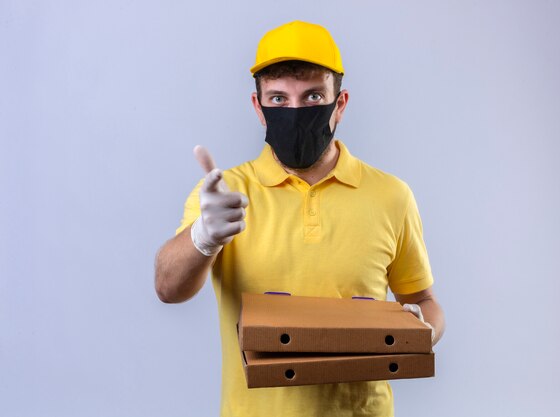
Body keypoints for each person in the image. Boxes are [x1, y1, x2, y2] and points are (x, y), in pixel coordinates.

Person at [154, 20, 445, 417]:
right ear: (258, 108)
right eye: (277, 99)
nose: (294, 111)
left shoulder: (391, 195)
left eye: (312, 97)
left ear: (339, 104)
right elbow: (168, 288)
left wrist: (420, 330)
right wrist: (204, 236)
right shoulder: (224, 195)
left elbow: (425, 302)